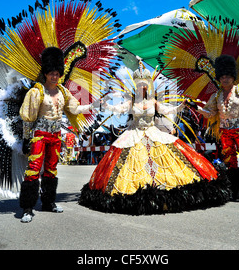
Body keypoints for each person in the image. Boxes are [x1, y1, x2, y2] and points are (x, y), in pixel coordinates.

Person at [79, 62, 230, 215]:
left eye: (144, 85)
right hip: (134, 133)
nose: (141, 88)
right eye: (139, 85)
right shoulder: (131, 102)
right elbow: (118, 108)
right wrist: (106, 105)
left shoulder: (153, 101)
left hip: (153, 132)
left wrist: (182, 106)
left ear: (148, 86)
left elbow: (168, 110)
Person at [18, 47, 95, 223]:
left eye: (57, 73)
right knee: (33, 170)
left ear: (60, 73)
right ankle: (28, 208)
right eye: (51, 73)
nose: (54, 76)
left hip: (56, 135)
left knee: (52, 169)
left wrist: (93, 105)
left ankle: (48, 202)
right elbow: (28, 117)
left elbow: (74, 109)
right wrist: (25, 139)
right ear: (45, 73)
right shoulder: (36, 92)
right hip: (39, 134)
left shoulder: (63, 92)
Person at [194, 55, 239, 206]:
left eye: (228, 76)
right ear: (219, 78)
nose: (225, 79)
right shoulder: (216, 96)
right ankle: (235, 191)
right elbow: (210, 113)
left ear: (233, 76)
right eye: (222, 76)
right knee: (230, 162)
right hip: (225, 133)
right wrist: (197, 108)